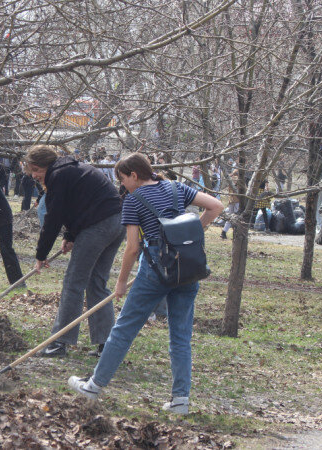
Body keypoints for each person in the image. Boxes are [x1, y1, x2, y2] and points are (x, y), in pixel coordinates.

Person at [67, 153, 222, 415]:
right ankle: (180, 401)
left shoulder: (133, 201)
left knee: (124, 329)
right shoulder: (176, 187)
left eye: (123, 179)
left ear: (134, 175)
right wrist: (191, 234)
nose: (122, 185)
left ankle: (94, 386)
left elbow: (132, 248)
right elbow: (216, 206)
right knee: (181, 337)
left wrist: (121, 281)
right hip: (187, 269)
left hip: (154, 273)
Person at [27, 145, 125, 357]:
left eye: (35, 170)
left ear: (44, 165)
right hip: (117, 223)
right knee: (96, 282)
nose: (34, 175)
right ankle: (107, 344)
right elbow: (76, 205)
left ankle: (59, 342)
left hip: (99, 225)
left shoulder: (58, 175)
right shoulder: (71, 168)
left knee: (74, 282)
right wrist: (70, 236)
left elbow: (53, 218)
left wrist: (40, 255)